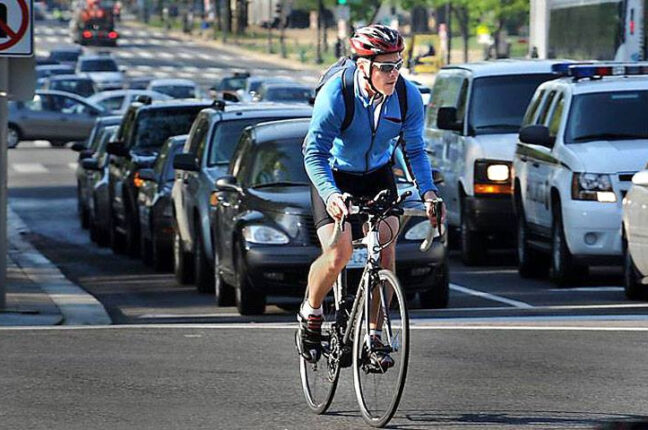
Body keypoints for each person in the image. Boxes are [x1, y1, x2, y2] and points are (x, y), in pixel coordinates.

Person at [299, 24, 445, 368]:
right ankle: (312, 311)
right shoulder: (337, 94)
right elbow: (313, 152)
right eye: (385, 66)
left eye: (398, 64)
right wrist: (332, 195)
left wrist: (428, 191)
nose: (393, 73)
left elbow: (415, 150)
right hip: (333, 174)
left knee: (386, 250)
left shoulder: (407, 97)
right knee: (340, 252)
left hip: (377, 174)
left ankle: (375, 336)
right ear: (363, 65)